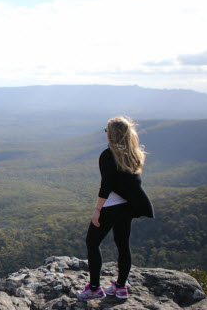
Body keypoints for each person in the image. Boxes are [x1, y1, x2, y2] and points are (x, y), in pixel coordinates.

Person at [76, 116, 154, 301]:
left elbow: (106, 186)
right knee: (123, 245)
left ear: (112, 135)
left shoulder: (108, 155)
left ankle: (94, 288)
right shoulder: (133, 153)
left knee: (92, 242)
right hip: (128, 207)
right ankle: (120, 287)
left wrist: (97, 210)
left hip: (111, 207)